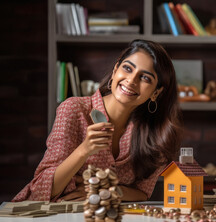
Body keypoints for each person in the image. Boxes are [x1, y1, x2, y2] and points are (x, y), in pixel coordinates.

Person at [12, 39, 183, 202]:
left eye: (145, 78)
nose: (131, 81)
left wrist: (105, 190)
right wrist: (84, 150)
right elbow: (41, 189)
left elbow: (142, 193)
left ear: (156, 92)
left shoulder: (155, 135)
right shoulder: (73, 109)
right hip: (55, 220)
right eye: (128, 69)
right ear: (116, 70)